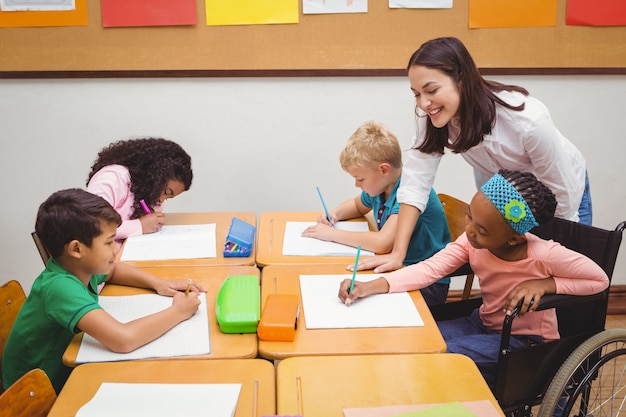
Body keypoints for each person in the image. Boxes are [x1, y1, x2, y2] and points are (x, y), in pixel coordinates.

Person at [339, 170, 608, 387]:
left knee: (441, 356)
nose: (469, 232)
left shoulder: (543, 254)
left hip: (524, 341)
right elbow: (430, 269)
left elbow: (599, 280)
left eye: (482, 229)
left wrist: (546, 284)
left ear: (514, 237)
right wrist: (369, 287)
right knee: (415, 340)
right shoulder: (470, 242)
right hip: (481, 322)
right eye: (470, 217)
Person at [356, 36, 591, 274]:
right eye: (416, 94)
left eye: (432, 90)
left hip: (559, 193)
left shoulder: (528, 121)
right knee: (510, 277)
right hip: (504, 197)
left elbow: (563, 197)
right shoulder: (433, 117)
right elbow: (415, 183)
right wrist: (398, 254)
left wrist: (557, 257)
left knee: (555, 277)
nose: (424, 103)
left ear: (462, 79)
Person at [2, 189, 204, 393]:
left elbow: (113, 270)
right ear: (77, 249)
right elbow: (123, 340)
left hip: (60, 373)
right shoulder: (59, 287)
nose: (116, 250)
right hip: (32, 395)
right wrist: (179, 312)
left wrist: (158, 283)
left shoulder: (78, 267)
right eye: (108, 242)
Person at [302, 121, 452, 306]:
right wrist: (335, 214)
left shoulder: (410, 192)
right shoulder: (381, 188)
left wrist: (331, 235)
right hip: (398, 271)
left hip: (429, 284)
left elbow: (382, 243)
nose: (357, 185)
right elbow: (357, 205)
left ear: (383, 170)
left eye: (360, 179)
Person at [86, 137, 193, 241]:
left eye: (168, 197)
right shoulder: (112, 178)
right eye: (165, 192)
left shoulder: (146, 194)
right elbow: (92, 226)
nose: (161, 200)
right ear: (154, 175)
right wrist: (140, 225)